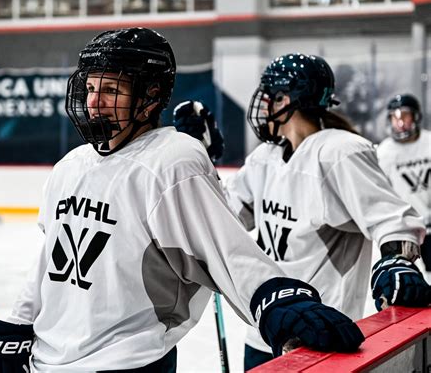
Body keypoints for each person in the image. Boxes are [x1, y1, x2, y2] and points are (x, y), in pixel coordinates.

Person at [0, 30, 365, 373]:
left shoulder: (171, 159)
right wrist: (17, 323)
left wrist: (275, 300)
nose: (94, 102)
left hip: (126, 363)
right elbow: (50, 256)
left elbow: (225, 250)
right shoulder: (70, 165)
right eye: (91, 88)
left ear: (150, 97)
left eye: (110, 91)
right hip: (46, 361)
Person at [174, 53, 430, 370]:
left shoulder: (337, 152)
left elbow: (392, 218)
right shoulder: (263, 159)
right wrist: (200, 162)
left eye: (270, 96)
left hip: (322, 335)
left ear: (290, 99)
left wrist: (396, 258)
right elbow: (221, 220)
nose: (264, 106)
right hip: (266, 328)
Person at [376, 94, 430, 276]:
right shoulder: (384, 152)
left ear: (415, 117)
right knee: (408, 280)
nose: (400, 123)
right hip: (407, 228)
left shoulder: (428, 142)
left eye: (405, 116)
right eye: (395, 117)